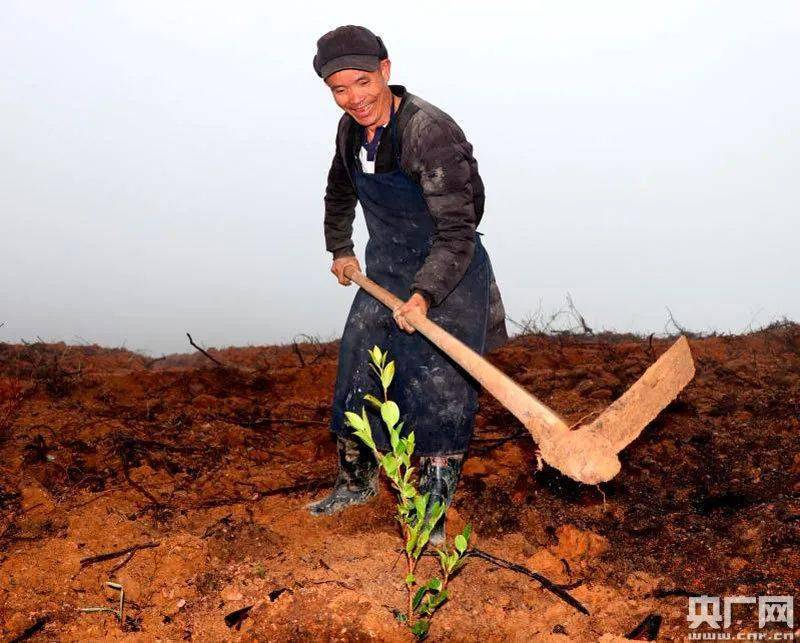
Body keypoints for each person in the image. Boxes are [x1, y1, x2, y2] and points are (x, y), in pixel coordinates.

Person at [306, 25, 508, 545]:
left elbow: (458, 230)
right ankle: (356, 484)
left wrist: (425, 295)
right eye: (340, 89)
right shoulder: (350, 130)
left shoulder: (429, 132)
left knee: (439, 393)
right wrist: (341, 248)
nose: (354, 97)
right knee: (358, 366)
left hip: (450, 276)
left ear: (386, 72)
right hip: (385, 272)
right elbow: (338, 188)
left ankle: (432, 518)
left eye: (363, 81)